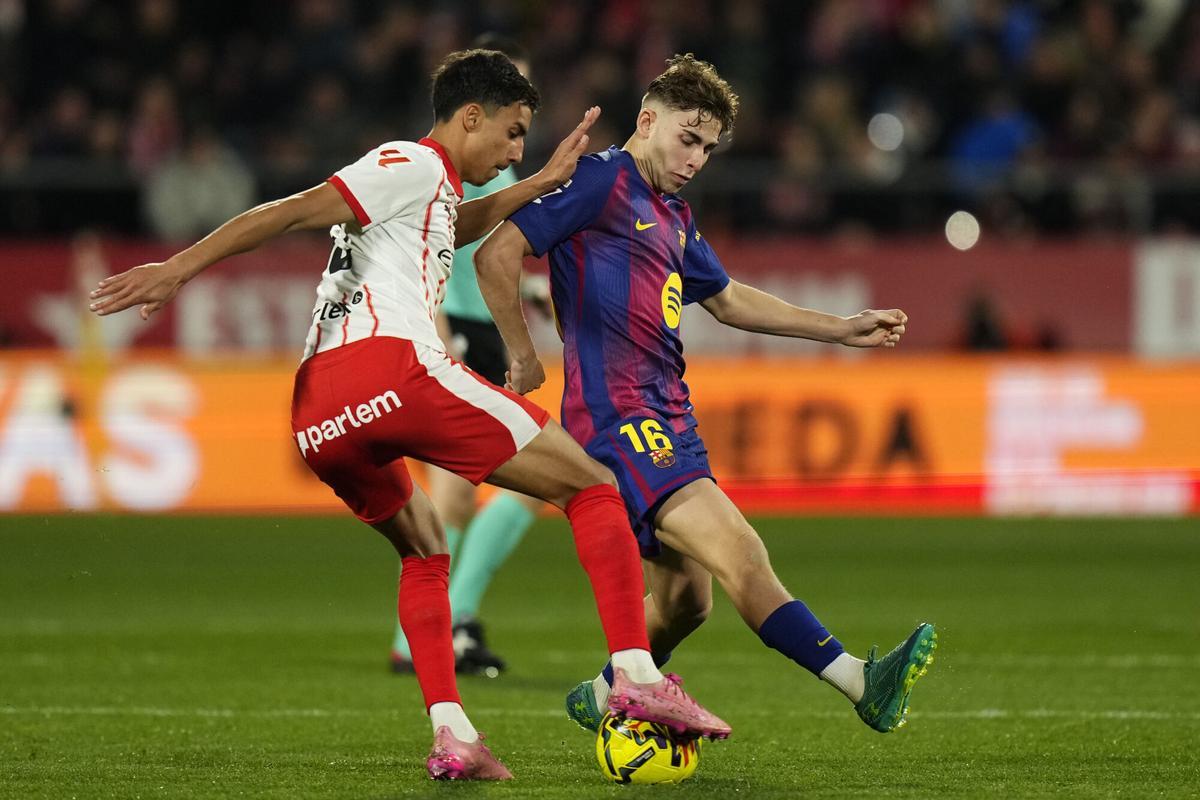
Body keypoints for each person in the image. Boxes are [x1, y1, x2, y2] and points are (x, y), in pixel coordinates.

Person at [89, 49, 729, 782]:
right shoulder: (411, 162)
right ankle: (636, 674)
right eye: (514, 133)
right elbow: (291, 210)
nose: (516, 153)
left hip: (319, 415)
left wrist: (540, 187)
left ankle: (453, 734)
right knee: (592, 485)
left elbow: (454, 225)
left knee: (425, 549)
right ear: (470, 117)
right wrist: (177, 267)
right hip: (389, 368)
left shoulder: (428, 192)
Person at [474, 54, 937, 738]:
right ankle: (861, 682)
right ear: (647, 121)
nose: (696, 158)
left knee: (688, 603)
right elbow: (496, 253)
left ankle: (602, 695)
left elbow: (726, 299)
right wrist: (520, 353)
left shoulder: (673, 213)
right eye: (687, 138)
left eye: (709, 148)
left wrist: (839, 328)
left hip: (670, 415)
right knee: (741, 552)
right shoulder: (601, 180)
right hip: (620, 417)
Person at [390, 34, 545, 678]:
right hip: (454, 334)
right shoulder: (451, 168)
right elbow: (432, 258)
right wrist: (441, 332)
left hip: (483, 336)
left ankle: (442, 626)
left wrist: (529, 292)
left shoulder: (498, 169)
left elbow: (482, 262)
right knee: (468, 496)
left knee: (498, 491)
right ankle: (438, 629)